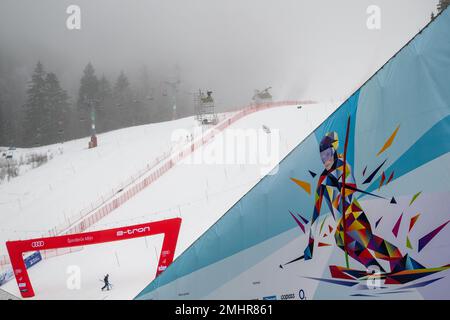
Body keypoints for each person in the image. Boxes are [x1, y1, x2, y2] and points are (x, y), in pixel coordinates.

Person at [304, 131, 423, 273]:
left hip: (353, 214)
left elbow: (351, 187)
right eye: (322, 157)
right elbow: (316, 212)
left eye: (328, 154)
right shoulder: (322, 179)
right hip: (342, 222)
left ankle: (404, 263)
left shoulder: (342, 166)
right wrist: (311, 243)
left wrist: (340, 182)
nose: (325, 160)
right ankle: (374, 267)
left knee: (370, 242)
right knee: (341, 240)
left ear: (334, 150)